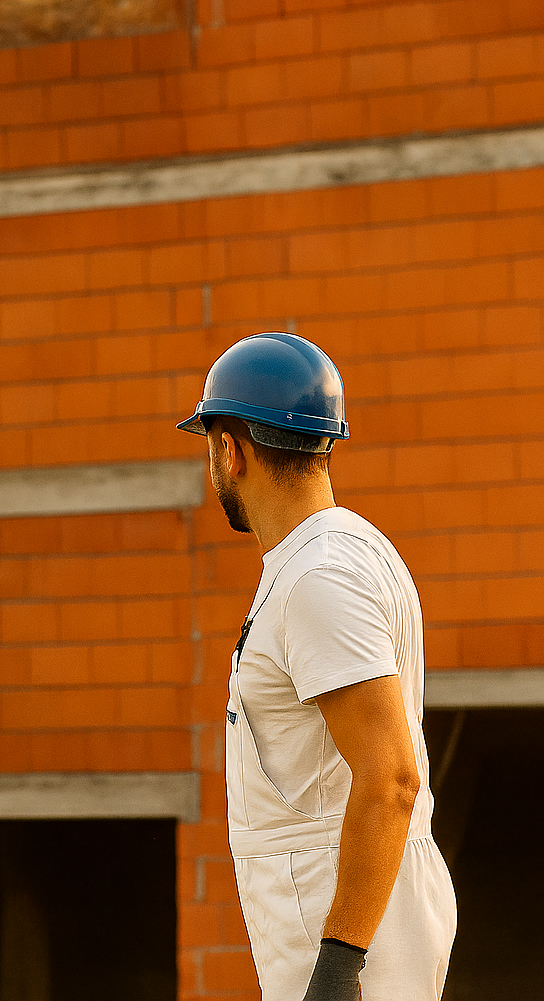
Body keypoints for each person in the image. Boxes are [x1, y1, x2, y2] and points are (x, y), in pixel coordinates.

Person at [176, 332, 455, 1001]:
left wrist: (336, 970)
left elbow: (390, 779)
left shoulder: (318, 576)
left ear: (229, 449)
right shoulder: (341, 554)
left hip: (347, 933)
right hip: (352, 913)